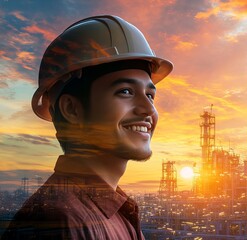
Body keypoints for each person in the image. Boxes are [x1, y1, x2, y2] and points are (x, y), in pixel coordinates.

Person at [1, 15, 173, 240]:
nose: (148, 110)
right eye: (125, 91)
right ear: (72, 109)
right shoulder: (56, 222)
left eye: (150, 95)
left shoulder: (119, 212)